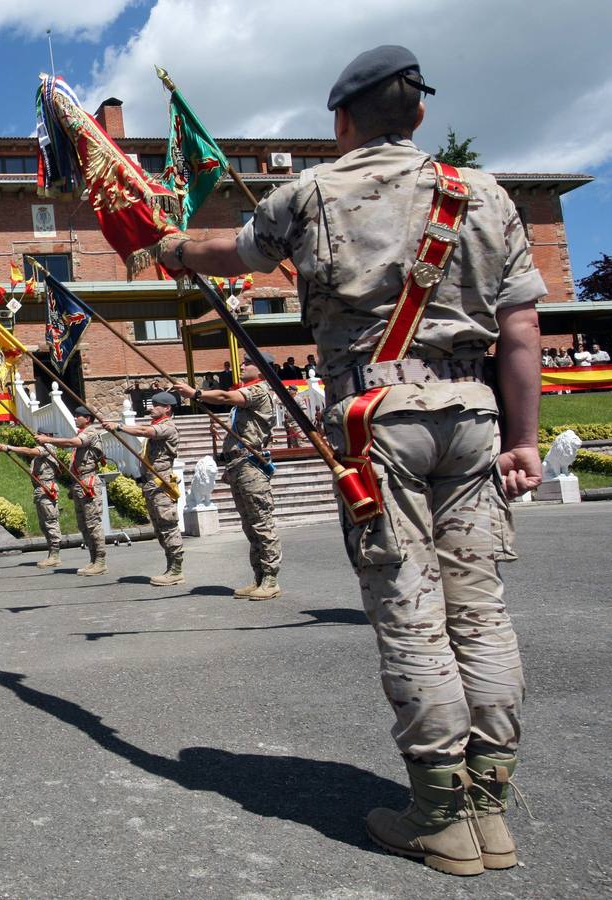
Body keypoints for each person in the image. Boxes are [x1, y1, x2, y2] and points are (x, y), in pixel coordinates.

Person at [154, 45, 544, 875]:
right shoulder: (485, 195)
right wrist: (525, 439)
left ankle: (440, 812)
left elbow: (239, 256)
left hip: (377, 419)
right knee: (481, 610)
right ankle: (492, 808)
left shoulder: (312, 191)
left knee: (411, 609)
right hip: (475, 414)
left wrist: (175, 248)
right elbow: (522, 330)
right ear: (419, 114)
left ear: (341, 120)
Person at [174, 357, 281, 599]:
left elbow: (223, 397)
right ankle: (260, 577)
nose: (241, 366)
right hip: (238, 465)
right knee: (250, 525)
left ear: (262, 369)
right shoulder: (246, 393)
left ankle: (271, 579)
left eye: (247, 363)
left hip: (251, 466)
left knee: (261, 523)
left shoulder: (258, 390)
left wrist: (196, 393)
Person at [106, 391, 184, 586]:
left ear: (167, 408)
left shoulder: (168, 427)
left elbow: (145, 432)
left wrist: (120, 426)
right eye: (152, 404)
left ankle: (176, 570)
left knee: (168, 526)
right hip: (151, 484)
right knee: (160, 528)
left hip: (161, 484)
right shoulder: (157, 425)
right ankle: (170, 567)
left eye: (156, 405)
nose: (151, 408)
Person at [35, 407, 108, 576]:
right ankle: (93, 560)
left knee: (93, 524)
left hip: (88, 482)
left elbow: (73, 443)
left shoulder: (90, 433)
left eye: (78, 416)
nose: (75, 418)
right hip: (79, 483)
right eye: (75, 415)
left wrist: (48, 440)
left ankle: (100, 561)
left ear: (88, 419)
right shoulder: (82, 432)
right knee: (83, 525)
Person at [0, 437, 63, 567]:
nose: (36, 437)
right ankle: (52, 554)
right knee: (44, 524)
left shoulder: (48, 447)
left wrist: (10, 447)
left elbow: (29, 451)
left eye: (40, 435)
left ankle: (55, 556)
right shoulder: (41, 453)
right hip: (41, 490)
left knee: (50, 522)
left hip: (47, 489)